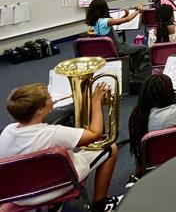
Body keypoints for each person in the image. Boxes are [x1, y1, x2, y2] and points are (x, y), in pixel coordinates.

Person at [0, 83, 119, 211]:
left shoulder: (6, 131)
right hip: (54, 187)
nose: (53, 99)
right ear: (39, 110)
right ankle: (100, 205)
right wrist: (96, 102)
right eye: (49, 98)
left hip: (19, 195)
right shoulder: (53, 133)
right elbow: (95, 134)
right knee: (110, 148)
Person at [85, 0, 150, 92]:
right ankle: (135, 72)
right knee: (143, 48)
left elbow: (118, 22)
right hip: (119, 49)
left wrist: (125, 14)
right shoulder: (105, 21)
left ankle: (130, 69)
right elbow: (127, 20)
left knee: (134, 49)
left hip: (107, 50)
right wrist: (138, 11)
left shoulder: (95, 23)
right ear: (104, 9)